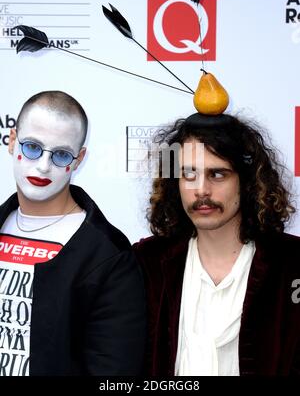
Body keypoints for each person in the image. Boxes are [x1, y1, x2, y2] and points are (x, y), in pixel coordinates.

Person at [133, 112, 300, 376]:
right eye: (189, 174)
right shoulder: (147, 262)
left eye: (218, 174)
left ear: (246, 181)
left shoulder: (293, 264)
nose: (202, 190)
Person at [0, 90, 146, 376]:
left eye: (60, 155)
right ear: (13, 141)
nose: (43, 166)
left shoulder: (109, 255)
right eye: (31, 147)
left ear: (78, 160)